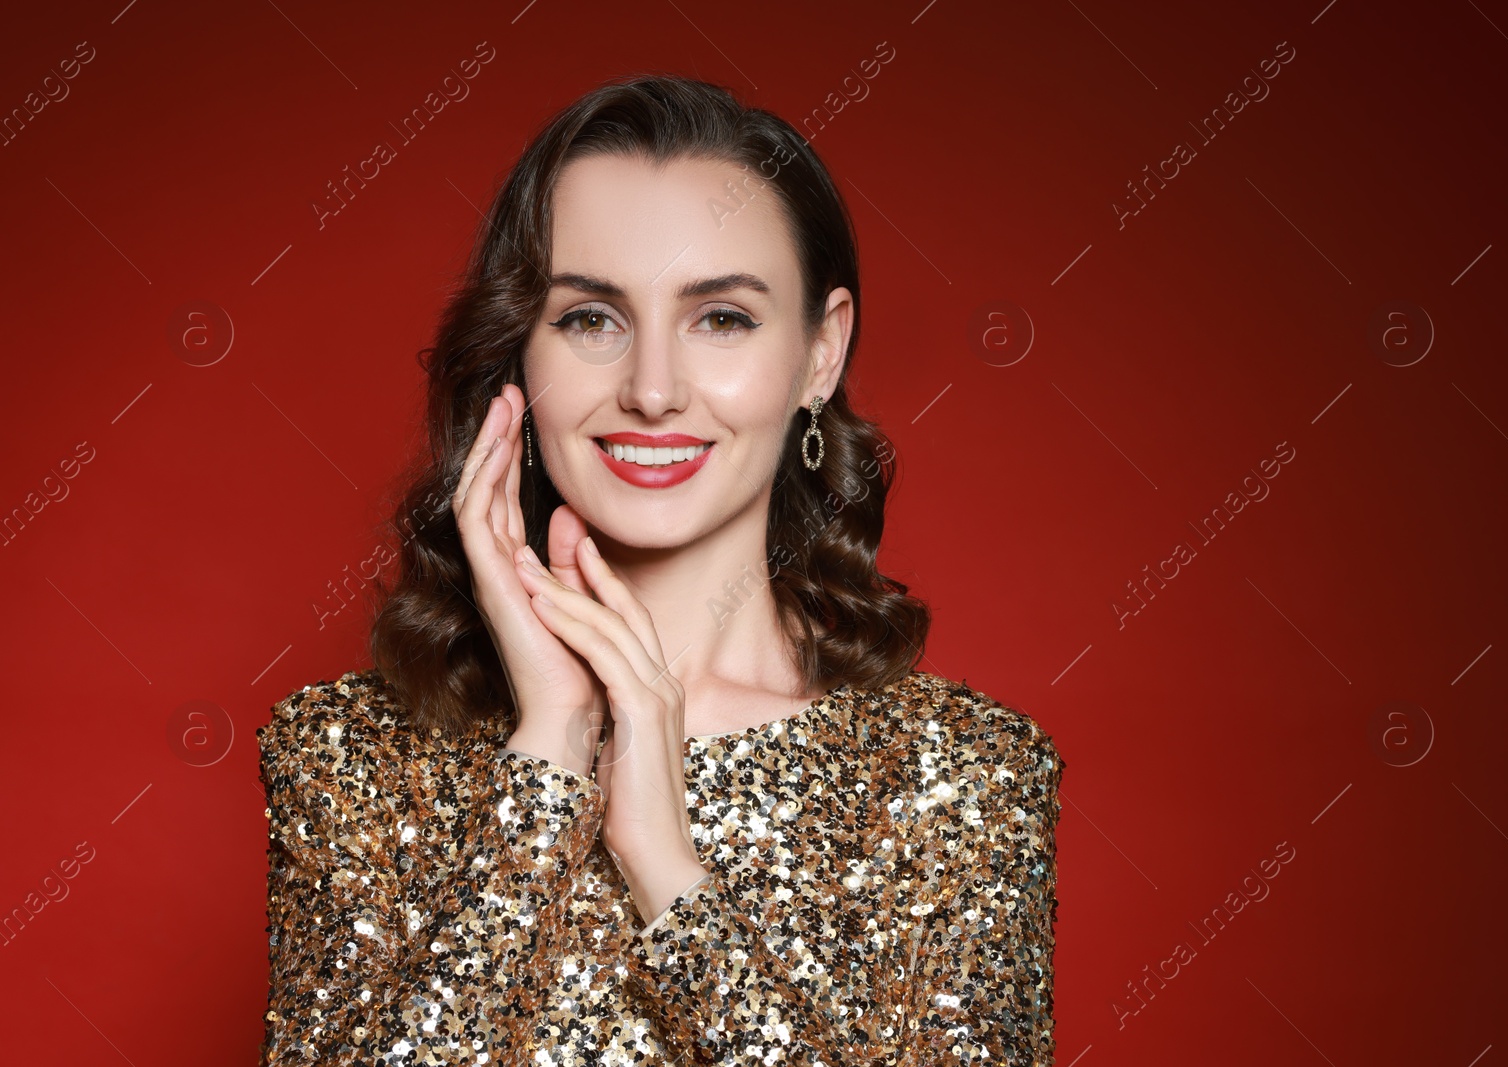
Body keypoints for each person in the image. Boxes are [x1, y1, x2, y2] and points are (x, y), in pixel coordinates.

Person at [257, 73, 1063, 1066]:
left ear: (821, 350)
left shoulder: (959, 777)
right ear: (516, 356)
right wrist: (551, 753)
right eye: (590, 318)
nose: (650, 388)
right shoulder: (350, 754)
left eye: (720, 316)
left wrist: (666, 867)